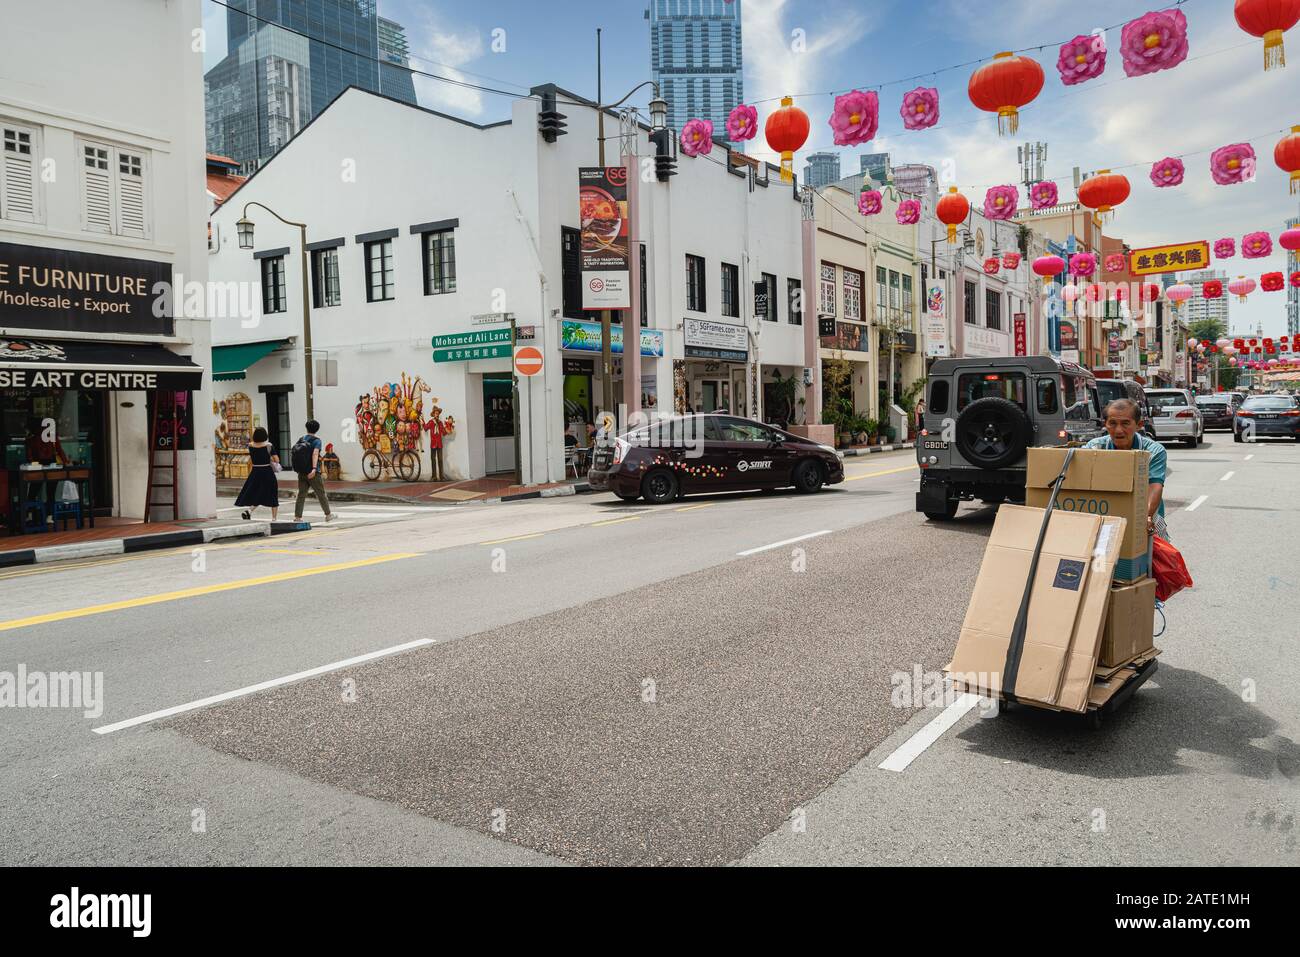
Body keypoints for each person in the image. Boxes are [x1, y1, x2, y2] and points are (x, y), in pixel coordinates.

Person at [1084, 398, 1167, 539]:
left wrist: (1145, 517)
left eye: (1125, 423)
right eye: (1112, 423)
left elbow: (1154, 486)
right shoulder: (1094, 448)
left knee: (1161, 556)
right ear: (1105, 424)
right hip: (1105, 514)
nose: (1118, 430)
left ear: (1139, 425)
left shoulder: (1153, 451)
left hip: (1145, 514)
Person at [291, 419, 333, 522]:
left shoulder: (301, 439)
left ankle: (297, 517)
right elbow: (315, 454)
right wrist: (314, 469)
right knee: (321, 493)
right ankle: (328, 515)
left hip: (302, 472)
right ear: (317, 429)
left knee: (301, 495)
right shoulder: (317, 441)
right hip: (313, 472)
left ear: (307, 428)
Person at [236, 427, 280, 521]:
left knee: (257, 493)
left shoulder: (250, 445)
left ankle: (249, 511)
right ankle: (274, 518)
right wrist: (270, 458)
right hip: (267, 471)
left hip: (255, 472)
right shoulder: (269, 445)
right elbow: (277, 460)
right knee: (272, 493)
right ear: (265, 435)